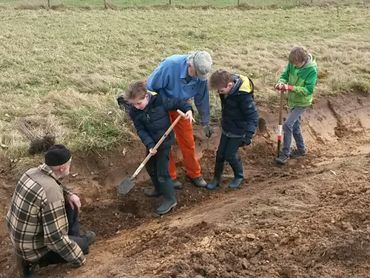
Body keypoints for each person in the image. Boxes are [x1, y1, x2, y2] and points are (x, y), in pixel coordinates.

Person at [6, 144, 96, 278]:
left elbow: (52, 184)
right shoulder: (52, 193)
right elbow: (54, 239)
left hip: (20, 237)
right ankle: (34, 263)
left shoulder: (31, 172)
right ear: (62, 168)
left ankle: (74, 238)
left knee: (70, 204)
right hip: (32, 250)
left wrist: (69, 194)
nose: (70, 167)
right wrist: (79, 258)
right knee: (83, 247)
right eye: (69, 164)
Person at [124, 81, 193, 215]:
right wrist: (150, 145)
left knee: (162, 173)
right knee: (150, 166)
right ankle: (158, 189)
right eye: (133, 104)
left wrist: (189, 110)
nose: (137, 107)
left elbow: (179, 103)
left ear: (146, 96)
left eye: (139, 103)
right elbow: (141, 130)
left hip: (164, 141)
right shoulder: (134, 111)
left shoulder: (159, 101)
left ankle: (170, 199)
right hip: (152, 143)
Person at [146, 50, 213, 188]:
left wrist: (205, 122)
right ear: (190, 64)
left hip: (182, 107)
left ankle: (194, 173)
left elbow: (202, 99)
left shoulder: (201, 78)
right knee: (165, 141)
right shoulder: (170, 65)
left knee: (188, 141)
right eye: (196, 73)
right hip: (162, 105)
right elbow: (150, 88)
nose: (198, 78)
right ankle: (170, 176)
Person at [207, 69, 258, 190]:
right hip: (227, 127)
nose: (219, 93)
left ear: (230, 85)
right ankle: (216, 178)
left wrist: (248, 135)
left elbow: (253, 117)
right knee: (220, 154)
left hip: (239, 130)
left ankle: (239, 176)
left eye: (221, 90)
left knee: (230, 155)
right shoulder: (225, 90)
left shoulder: (244, 97)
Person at [275, 46, 318, 165]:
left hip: (302, 102)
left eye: (296, 64)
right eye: (292, 63)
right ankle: (301, 149)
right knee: (295, 127)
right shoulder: (292, 63)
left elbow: (308, 90)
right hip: (292, 100)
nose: (294, 65)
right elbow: (285, 74)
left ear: (303, 61)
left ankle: (285, 153)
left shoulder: (311, 70)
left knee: (288, 125)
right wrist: (281, 82)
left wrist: (290, 88)